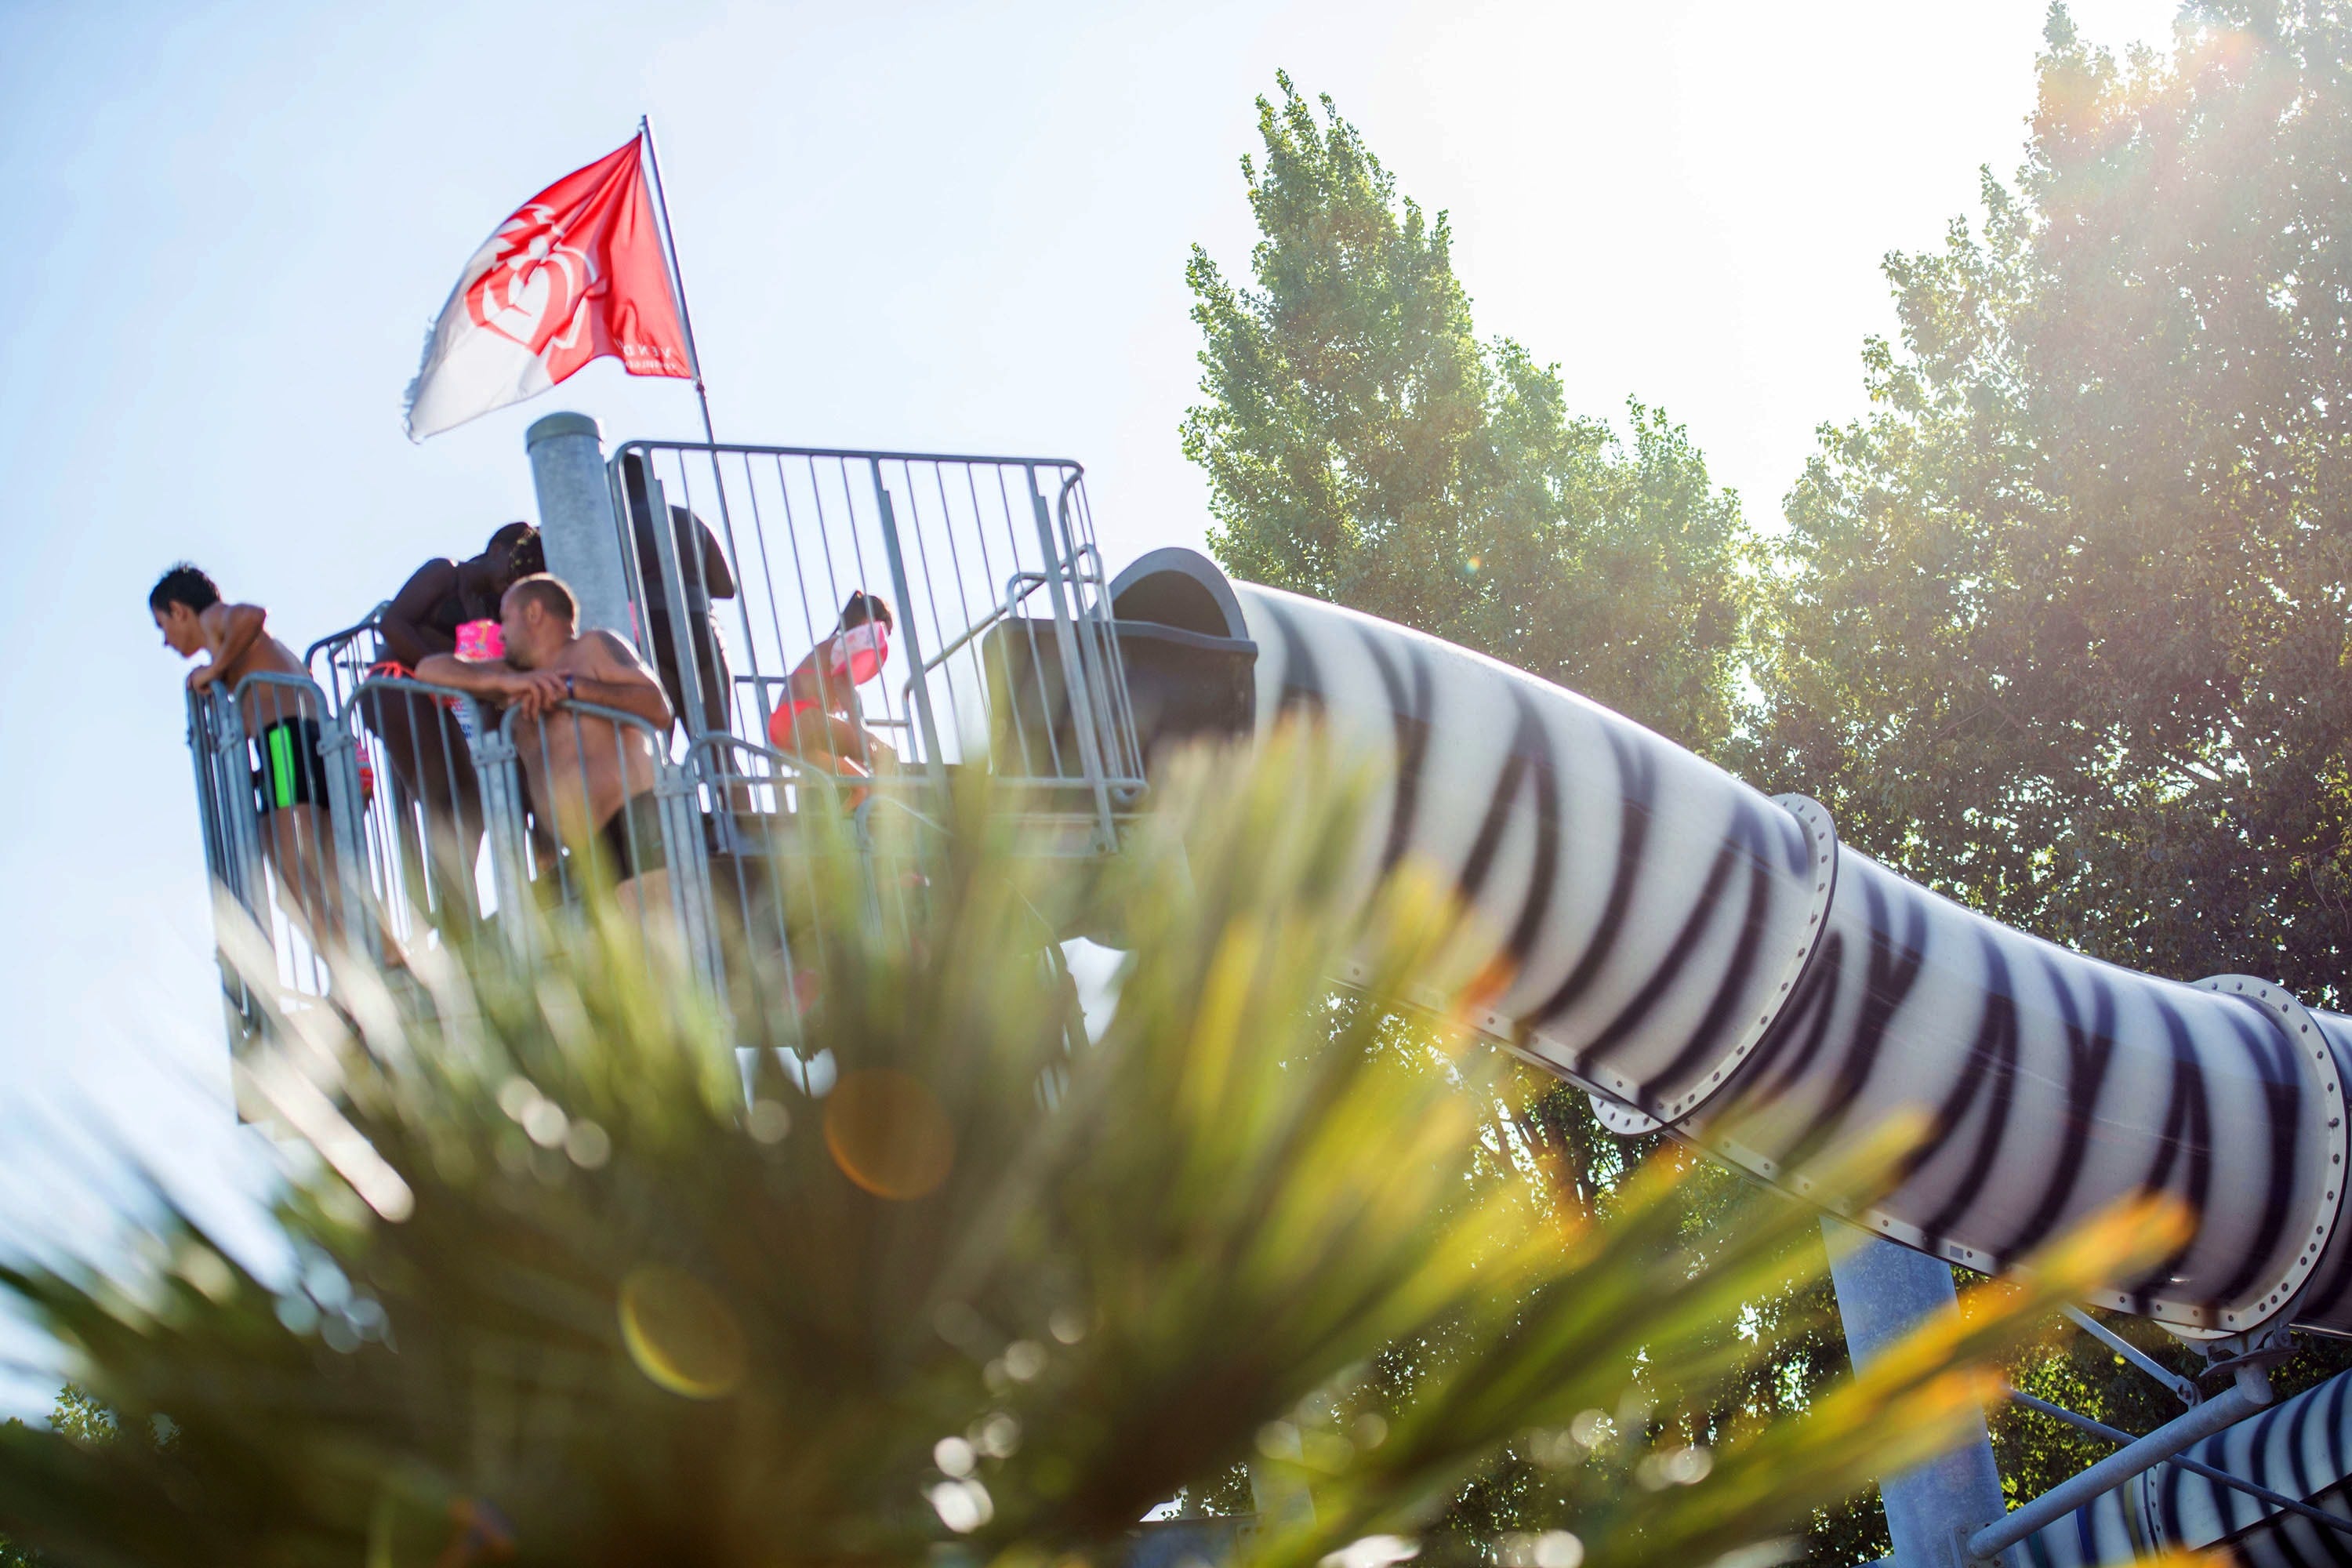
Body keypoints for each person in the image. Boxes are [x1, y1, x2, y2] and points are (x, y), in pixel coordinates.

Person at [418, 574, 677, 920]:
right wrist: (504, 681)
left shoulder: (593, 647)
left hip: (635, 822)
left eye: (506, 618)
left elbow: (657, 707)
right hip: (583, 848)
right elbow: (428, 671)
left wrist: (571, 689)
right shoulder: (514, 678)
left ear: (534, 612)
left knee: (654, 940)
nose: (502, 633)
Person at [151, 564, 349, 952]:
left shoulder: (215, 621)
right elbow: (259, 702)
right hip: (299, 742)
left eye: (162, 626)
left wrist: (215, 669)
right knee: (308, 876)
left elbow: (253, 615)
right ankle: (369, 962)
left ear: (179, 610)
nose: (165, 641)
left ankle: (355, 975)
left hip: (289, 740)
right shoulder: (241, 652)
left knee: (299, 872)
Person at [365, 522, 546, 911]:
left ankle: (458, 909)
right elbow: (393, 622)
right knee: (440, 793)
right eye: (516, 568)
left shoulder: (496, 610)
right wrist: (438, 665)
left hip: (448, 701)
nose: (517, 580)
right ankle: (451, 912)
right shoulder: (444, 573)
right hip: (399, 685)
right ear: (496, 549)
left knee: (472, 796)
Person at [619, 454, 738, 740]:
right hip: (701, 627)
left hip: (650, 632)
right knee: (721, 751)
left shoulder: (615, 523)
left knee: (657, 750)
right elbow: (726, 587)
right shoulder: (691, 519)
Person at [766, 591, 895, 798]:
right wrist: (861, 730)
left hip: (783, 727)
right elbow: (842, 685)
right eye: (883, 632)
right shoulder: (841, 644)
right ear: (868, 622)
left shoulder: (830, 649)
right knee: (882, 753)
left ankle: (854, 804)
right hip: (801, 719)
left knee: (860, 782)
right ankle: (874, 804)